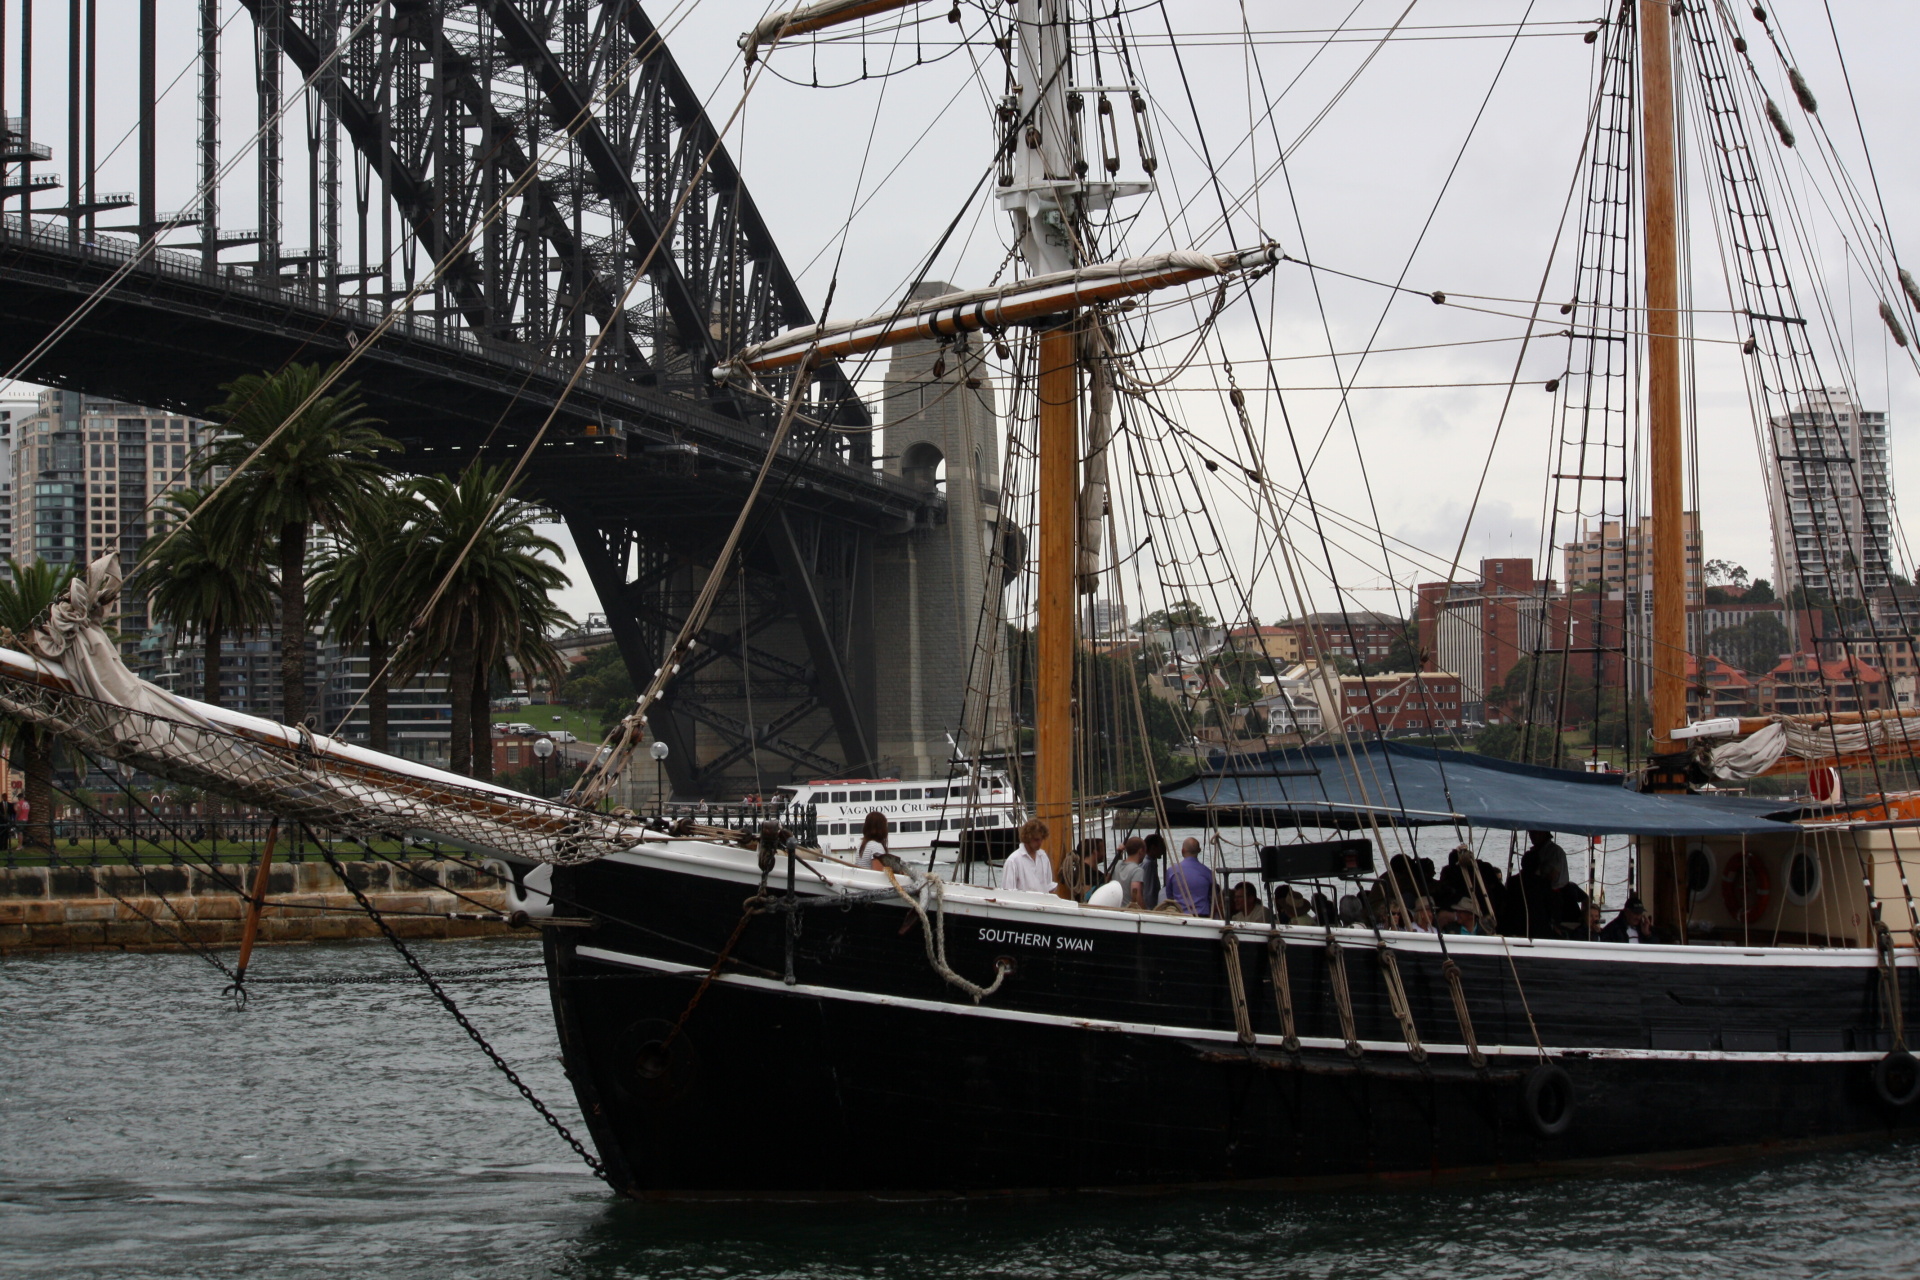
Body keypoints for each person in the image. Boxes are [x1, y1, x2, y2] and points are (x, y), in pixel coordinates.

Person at [1162, 837, 1216, 916]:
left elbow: (1170, 896)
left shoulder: (1172, 871)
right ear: (1199, 850)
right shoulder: (1208, 872)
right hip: (1202, 916)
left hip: (1180, 915)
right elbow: (1213, 897)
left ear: (1182, 851)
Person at [1002, 818, 1058, 894]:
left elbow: (1048, 886)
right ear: (1027, 838)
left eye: (1041, 839)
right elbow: (1008, 892)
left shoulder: (1043, 857)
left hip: (1043, 901)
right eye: (1036, 840)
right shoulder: (1013, 861)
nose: (1040, 843)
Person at [1109, 838, 1150, 907]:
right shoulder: (1137, 870)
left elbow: (1107, 880)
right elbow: (1136, 895)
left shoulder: (1116, 865)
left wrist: (1119, 854)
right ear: (1140, 851)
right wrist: (1144, 910)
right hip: (1128, 909)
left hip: (1115, 908)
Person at [1139, 832, 1167, 909]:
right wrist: (1151, 909)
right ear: (1153, 848)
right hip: (1150, 907)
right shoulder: (1149, 864)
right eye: (1161, 847)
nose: (1163, 851)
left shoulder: (1146, 861)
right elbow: (1148, 890)